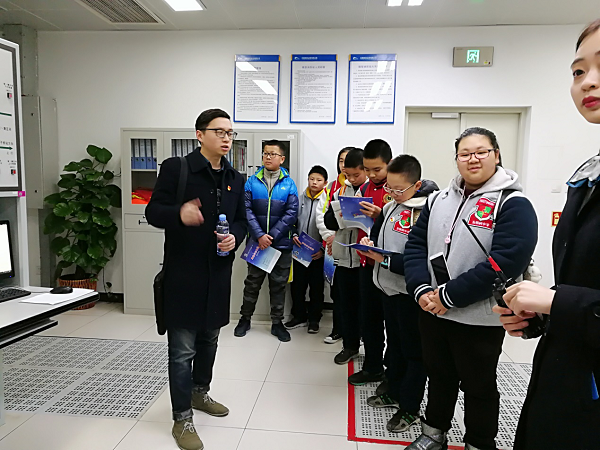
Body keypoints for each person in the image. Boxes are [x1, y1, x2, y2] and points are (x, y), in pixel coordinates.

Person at [494, 20, 600, 450]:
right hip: (564, 379)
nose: (587, 81)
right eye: (578, 71)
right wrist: (541, 313)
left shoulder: (512, 201)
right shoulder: (588, 177)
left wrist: (556, 302)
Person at [404, 127, 538, 450]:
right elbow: (415, 246)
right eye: (465, 153)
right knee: (439, 376)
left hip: (480, 318)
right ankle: (433, 433)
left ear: (496, 155)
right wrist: (421, 289)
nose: (472, 159)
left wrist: (448, 296)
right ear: (457, 159)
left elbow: (506, 261)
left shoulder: (513, 203)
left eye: (481, 152)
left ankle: (479, 442)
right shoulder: (437, 200)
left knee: (479, 386)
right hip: (433, 312)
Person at [145, 109, 247, 450]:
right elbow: (152, 211)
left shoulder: (235, 177)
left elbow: (240, 220)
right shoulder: (178, 169)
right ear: (200, 135)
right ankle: (182, 418)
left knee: (209, 340)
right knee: (182, 350)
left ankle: (200, 392)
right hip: (183, 275)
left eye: (230, 133)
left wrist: (234, 237)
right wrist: (179, 213)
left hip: (218, 274)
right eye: (219, 131)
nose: (226, 138)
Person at [359, 155, 438, 433]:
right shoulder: (390, 206)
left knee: (413, 352)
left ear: (416, 185)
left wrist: (384, 260)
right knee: (395, 346)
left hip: (410, 293)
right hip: (387, 289)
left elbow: (423, 260)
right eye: (388, 187)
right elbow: (378, 237)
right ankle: (393, 391)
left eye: (398, 189)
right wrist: (369, 243)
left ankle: (410, 407)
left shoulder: (427, 212)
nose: (391, 193)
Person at [234, 140, 299, 342]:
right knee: (252, 283)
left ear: (282, 159)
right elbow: (246, 210)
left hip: (281, 245)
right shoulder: (252, 182)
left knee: (278, 285)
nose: (268, 157)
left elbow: (292, 213)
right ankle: (245, 319)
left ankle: (277, 323)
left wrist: (272, 236)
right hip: (257, 243)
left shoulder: (289, 184)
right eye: (265, 153)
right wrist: (260, 235)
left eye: (272, 154)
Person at [349, 139, 394, 386]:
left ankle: (393, 372)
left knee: (393, 324)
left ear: (389, 163)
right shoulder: (364, 188)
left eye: (377, 169)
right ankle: (372, 366)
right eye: (367, 169)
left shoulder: (397, 187)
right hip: (366, 263)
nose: (372, 175)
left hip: (390, 266)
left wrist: (381, 214)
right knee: (369, 319)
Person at [323, 148, 367, 365]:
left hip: (365, 260)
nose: (351, 179)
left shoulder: (373, 191)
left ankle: (371, 350)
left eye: (356, 175)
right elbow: (328, 220)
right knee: (346, 305)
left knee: (366, 308)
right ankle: (349, 346)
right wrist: (340, 213)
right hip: (343, 257)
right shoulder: (341, 190)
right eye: (347, 174)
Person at [285, 165, 329, 333]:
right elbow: (292, 221)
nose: (314, 182)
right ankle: (298, 316)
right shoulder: (299, 199)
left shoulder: (327, 201)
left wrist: (323, 249)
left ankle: (314, 319)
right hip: (299, 251)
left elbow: (330, 228)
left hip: (318, 253)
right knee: (297, 286)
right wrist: (294, 235)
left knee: (317, 288)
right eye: (311, 179)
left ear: (325, 183)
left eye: (318, 180)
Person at [317, 147, 353, 344]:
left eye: (347, 160)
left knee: (355, 295)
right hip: (332, 248)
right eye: (341, 161)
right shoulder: (331, 188)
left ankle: (356, 333)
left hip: (355, 251)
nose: (344, 165)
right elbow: (320, 215)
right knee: (336, 291)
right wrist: (330, 237)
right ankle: (337, 329)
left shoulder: (363, 186)